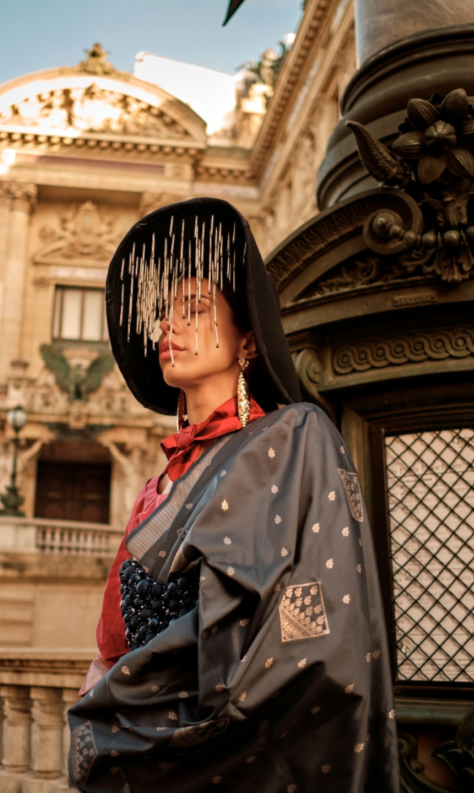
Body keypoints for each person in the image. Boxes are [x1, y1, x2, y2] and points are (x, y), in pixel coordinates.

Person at [68, 198, 400, 793]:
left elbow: (317, 622)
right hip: (141, 756)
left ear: (247, 341)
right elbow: (113, 643)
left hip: (251, 754)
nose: (168, 324)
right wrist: (109, 706)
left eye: (194, 309)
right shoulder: (158, 486)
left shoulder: (296, 438)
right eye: (165, 313)